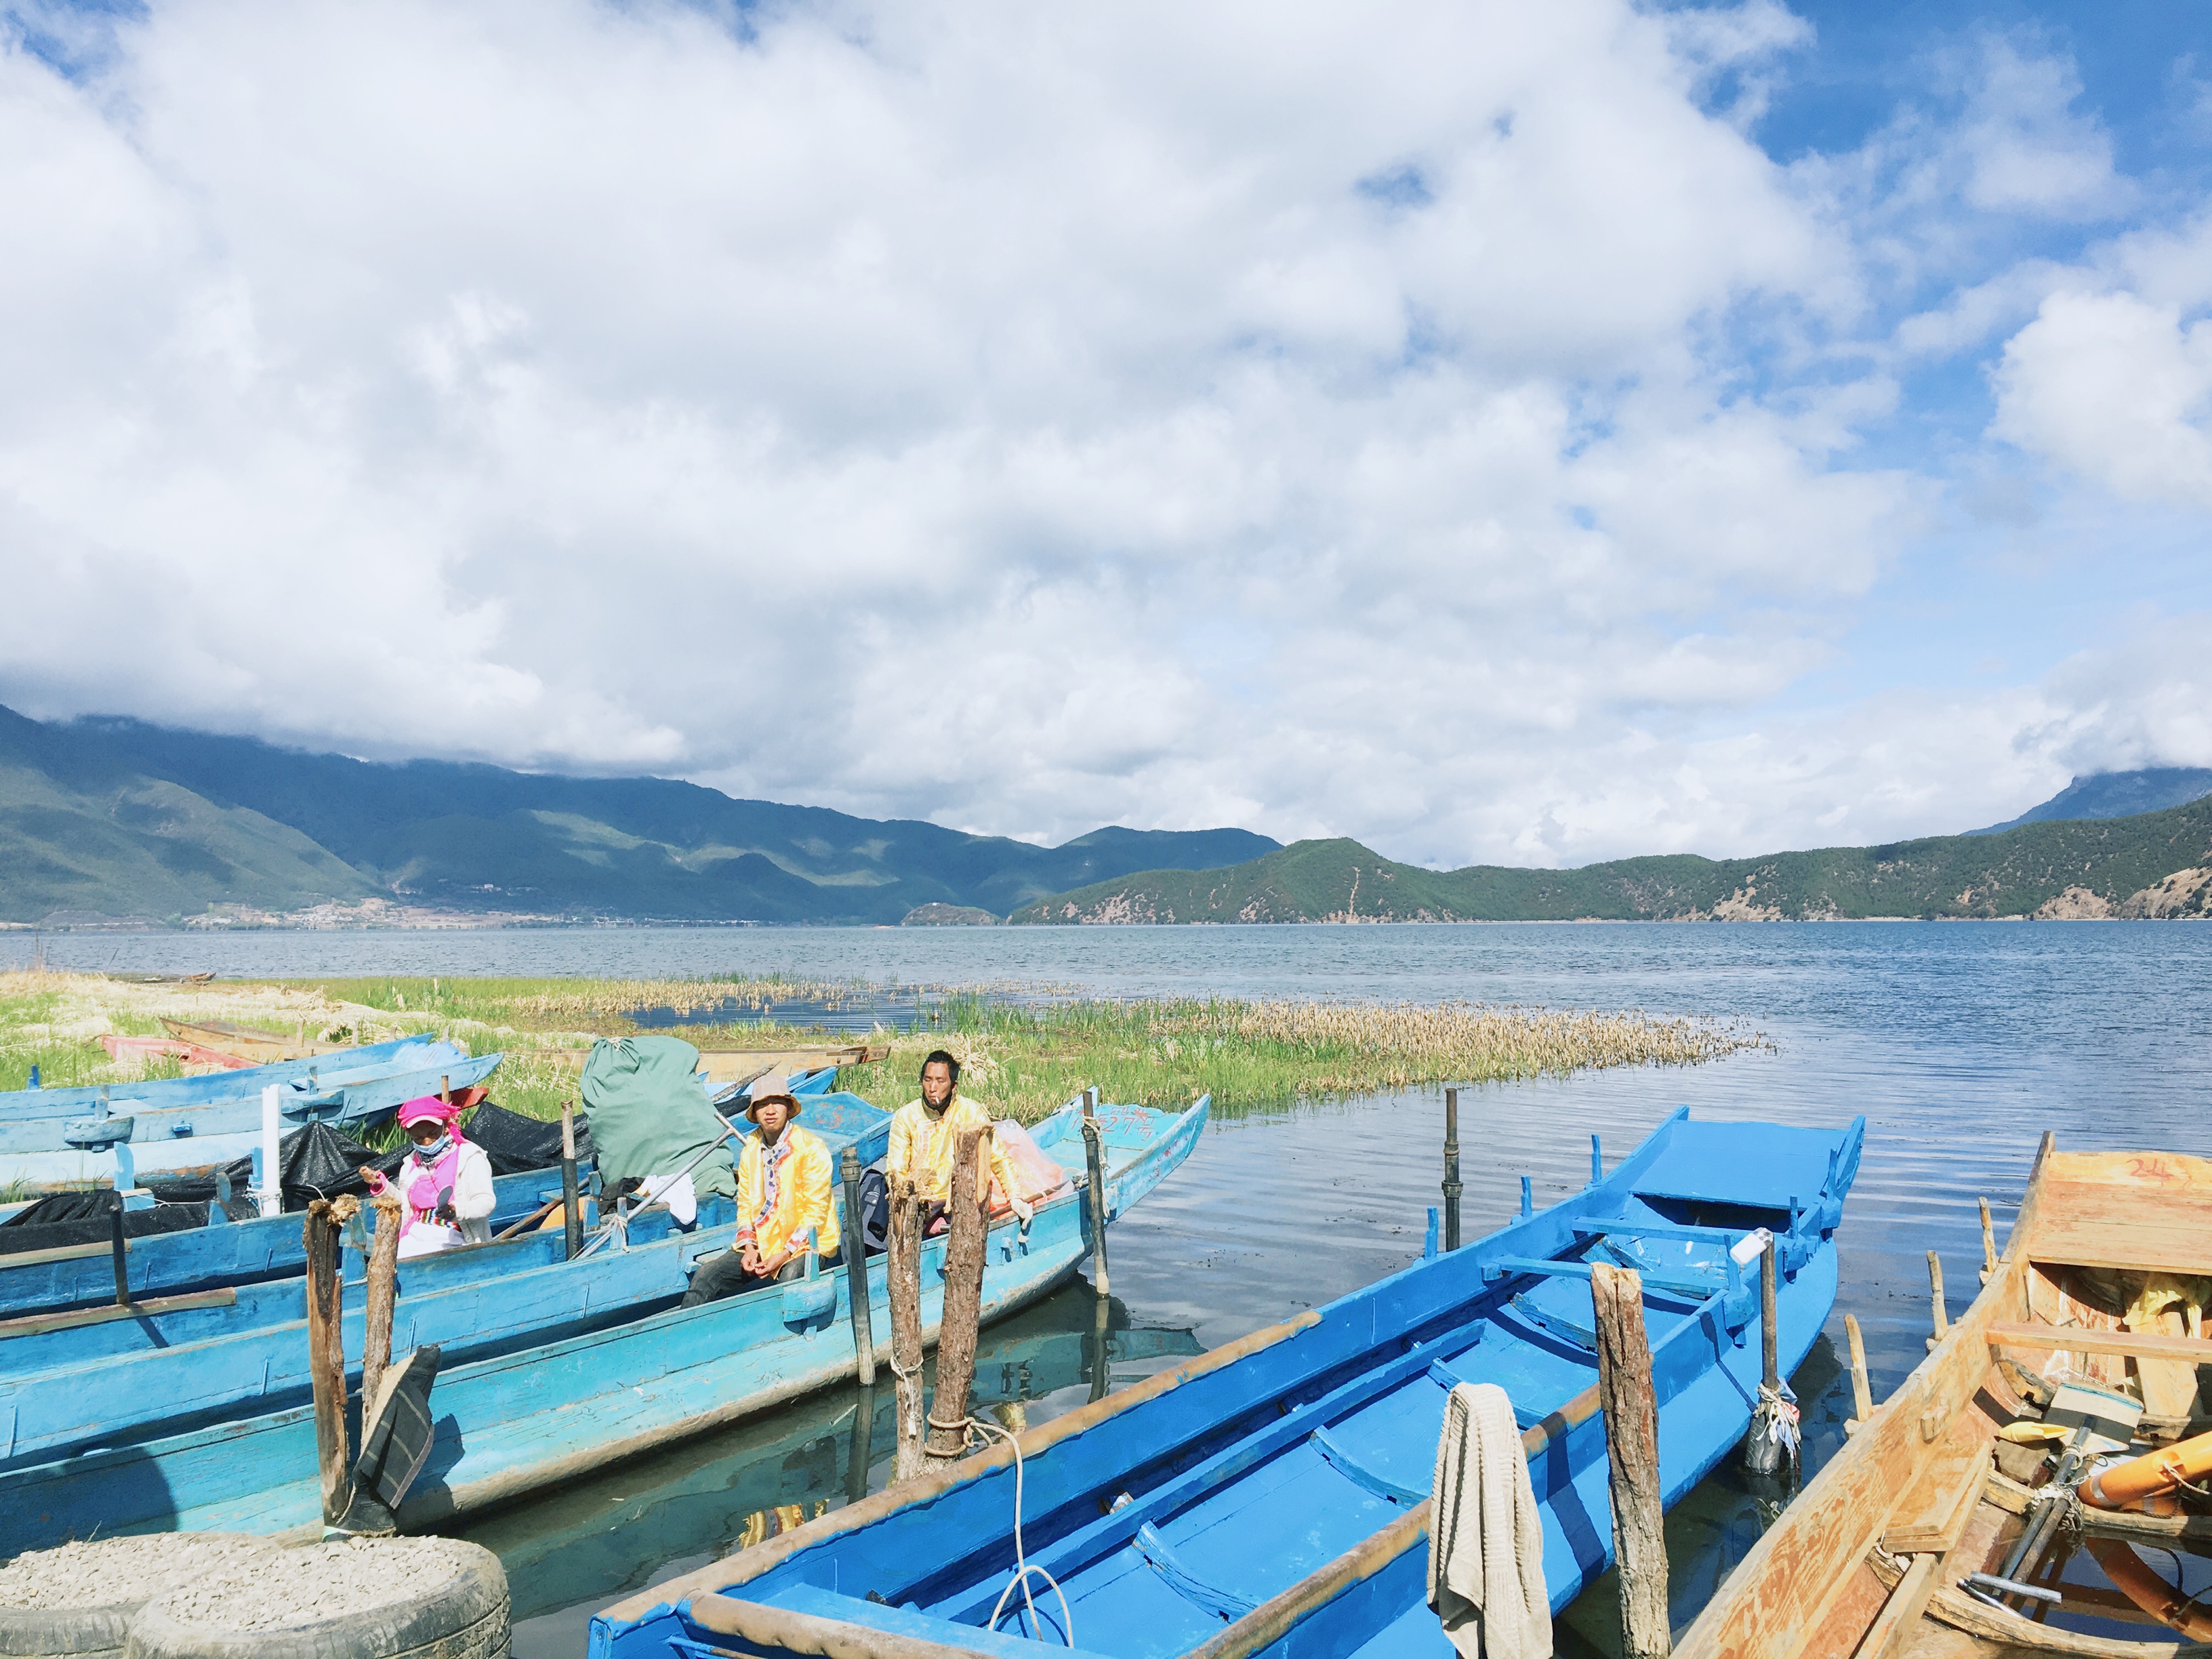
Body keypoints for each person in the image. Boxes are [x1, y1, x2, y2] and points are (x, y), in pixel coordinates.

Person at [680, 1073, 840, 1308]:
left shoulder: (811, 1148)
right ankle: (686, 1333)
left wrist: (783, 1255)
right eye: (762, 1105)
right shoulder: (751, 1148)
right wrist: (749, 1248)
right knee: (706, 1276)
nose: (770, 1110)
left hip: (808, 1244)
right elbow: (745, 1204)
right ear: (755, 1113)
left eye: (776, 1102)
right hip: (764, 1242)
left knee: (789, 1280)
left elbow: (814, 1215)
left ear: (787, 1107)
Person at [886, 1050, 1033, 1231]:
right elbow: (896, 1169)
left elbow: (998, 1157)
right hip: (923, 1203)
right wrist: (912, 1207)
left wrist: (1015, 1196)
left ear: (953, 1086)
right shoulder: (906, 1116)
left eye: (940, 1081)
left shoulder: (971, 1112)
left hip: (961, 1199)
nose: (932, 1088)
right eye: (927, 1079)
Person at [362, 1095, 495, 1259]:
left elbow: (486, 1202)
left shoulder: (470, 1156)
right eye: (418, 1138)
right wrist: (379, 1184)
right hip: (417, 1233)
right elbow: (405, 1205)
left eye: (432, 1134)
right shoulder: (412, 1162)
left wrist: (456, 1210)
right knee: (387, 1260)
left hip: (456, 1236)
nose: (426, 1142)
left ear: (445, 1126)